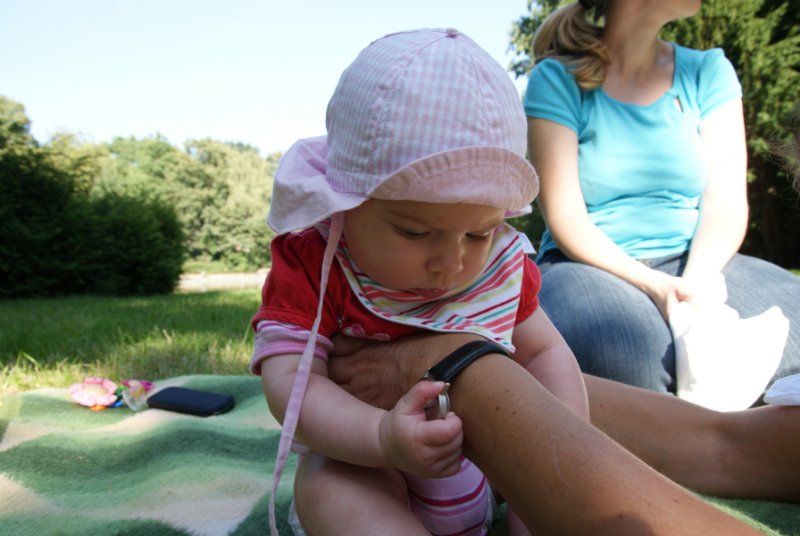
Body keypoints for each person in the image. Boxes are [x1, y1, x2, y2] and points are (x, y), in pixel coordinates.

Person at [252, 28, 588, 536]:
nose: (450, 261)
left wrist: (554, 458)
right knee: (331, 485)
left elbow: (545, 354)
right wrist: (380, 436)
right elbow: (292, 385)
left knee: (555, 495)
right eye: (414, 232)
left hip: (480, 465)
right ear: (348, 203)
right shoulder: (317, 261)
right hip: (365, 457)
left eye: (478, 232)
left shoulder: (501, 263)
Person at [523, 0, 800, 396]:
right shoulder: (556, 80)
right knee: (629, 359)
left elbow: (725, 201)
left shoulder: (708, 71)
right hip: (584, 265)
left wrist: (696, 282)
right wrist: (654, 285)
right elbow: (566, 217)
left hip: (698, 259)